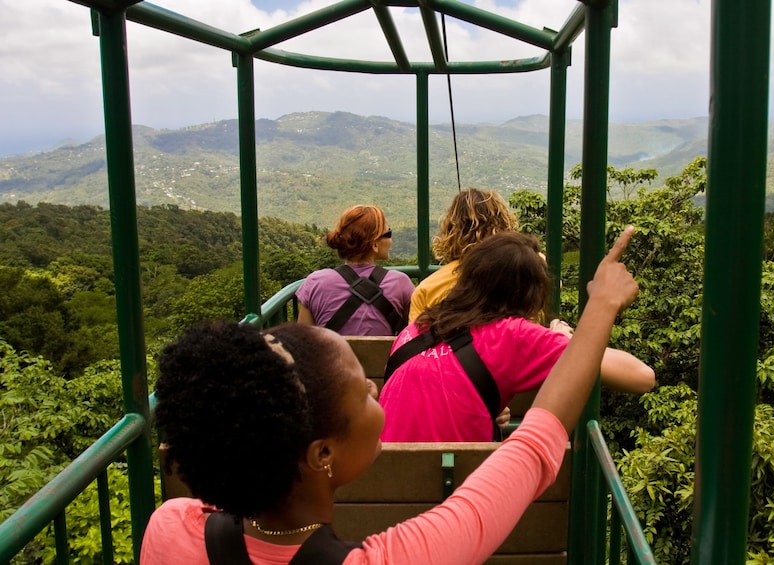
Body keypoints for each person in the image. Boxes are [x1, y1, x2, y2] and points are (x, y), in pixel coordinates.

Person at [139, 226, 643, 565]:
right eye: (363, 390)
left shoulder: (170, 527)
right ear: (322, 452)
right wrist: (602, 304)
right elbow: (537, 441)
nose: (378, 390)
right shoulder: (403, 556)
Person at [379, 230, 655, 442]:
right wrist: (566, 339)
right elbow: (641, 376)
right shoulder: (511, 336)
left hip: (380, 495)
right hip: (451, 502)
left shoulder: (416, 329)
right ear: (529, 296)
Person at [296, 205, 413, 336]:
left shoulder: (314, 283)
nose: (391, 240)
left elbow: (303, 343)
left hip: (333, 356)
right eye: (388, 233)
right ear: (374, 244)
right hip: (385, 357)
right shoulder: (401, 283)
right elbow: (415, 334)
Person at [409, 188, 517, 322]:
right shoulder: (526, 274)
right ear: (503, 225)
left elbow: (414, 339)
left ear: (450, 229)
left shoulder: (428, 289)